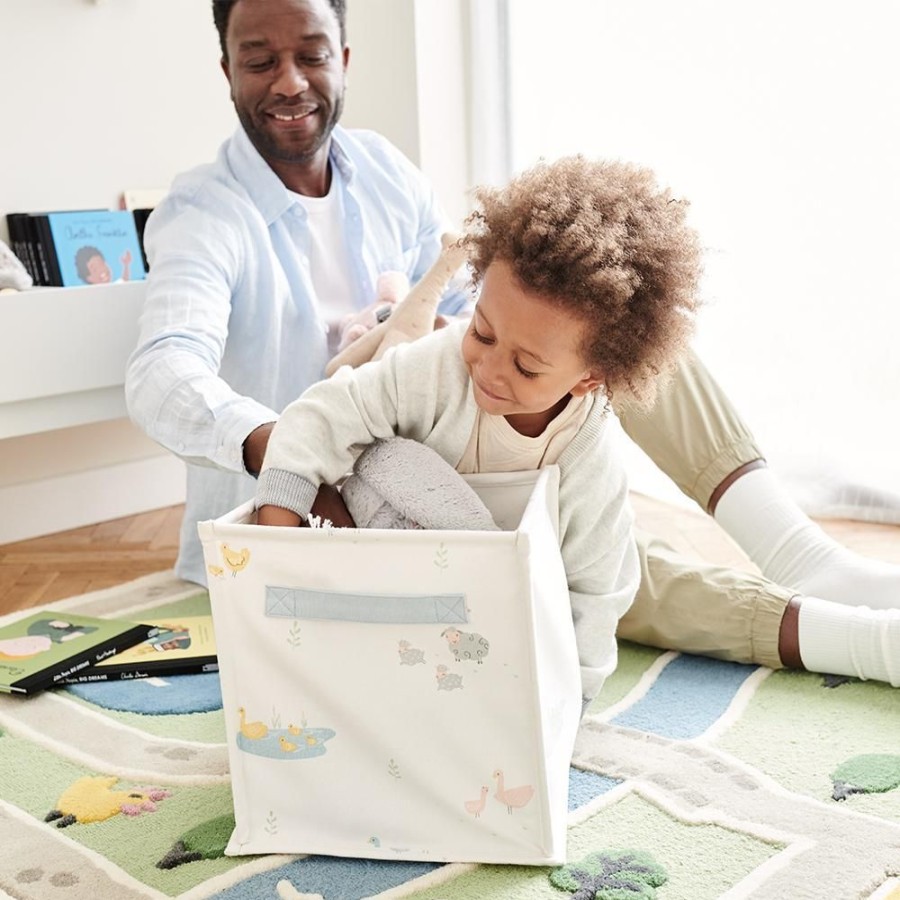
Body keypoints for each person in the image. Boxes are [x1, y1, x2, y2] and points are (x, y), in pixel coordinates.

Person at [125, 0, 900, 689]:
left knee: (610, 327)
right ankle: (853, 640)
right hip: (335, 492)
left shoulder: (383, 173)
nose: (290, 81)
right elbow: (163, 373)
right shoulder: (205, 215)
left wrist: (469, 334)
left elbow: (478, 305)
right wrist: (280, 446)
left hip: (454, 426)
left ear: (345, 58)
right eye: (260, 60)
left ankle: (798, 552)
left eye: (312, 54)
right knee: (583, 561)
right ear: (227, 68)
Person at [256, 156, 702, 703]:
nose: (489, 371)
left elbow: (595, 589)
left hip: (498, 613)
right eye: (484, 334)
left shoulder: (590, 457)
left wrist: (570, 699)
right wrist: (274, 544)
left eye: (527, 367)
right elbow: (320, 416)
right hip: (395, 579)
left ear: (590, 379)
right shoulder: (434, 367)